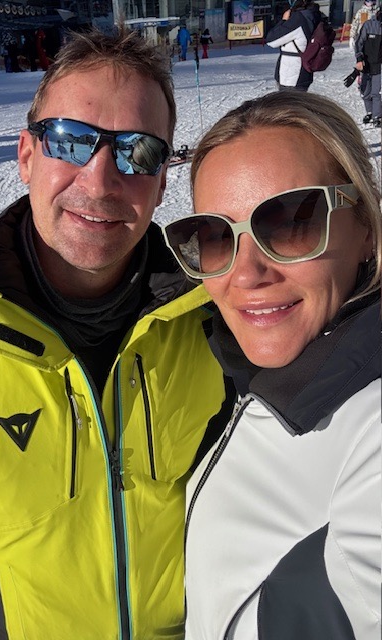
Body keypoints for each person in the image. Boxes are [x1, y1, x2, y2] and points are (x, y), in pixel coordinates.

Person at [0, 29, 228, 640]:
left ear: (162, 182)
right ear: (27, 154)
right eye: (70, 140)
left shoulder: (218, 313)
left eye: (138, 152)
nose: (100, 181)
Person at [163, 91, 381, 639]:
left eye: (291, 222)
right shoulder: (235, 374)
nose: (245, 273)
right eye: (215, 237)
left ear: (367, 229)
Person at [266, 0, 324, 91]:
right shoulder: (313, 14)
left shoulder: (298, 19)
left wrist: (283, 20)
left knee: (289, 100)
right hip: (304, 71)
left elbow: (271, 40)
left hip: (292, 76)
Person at [354, 4, 382, 126]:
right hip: (366, 63)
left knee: (375, 92)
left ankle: (377, 116)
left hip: (379, 65)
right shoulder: (369, 25)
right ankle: (369, 112)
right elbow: (359, 43)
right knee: (365, 92)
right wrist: (359, 59)